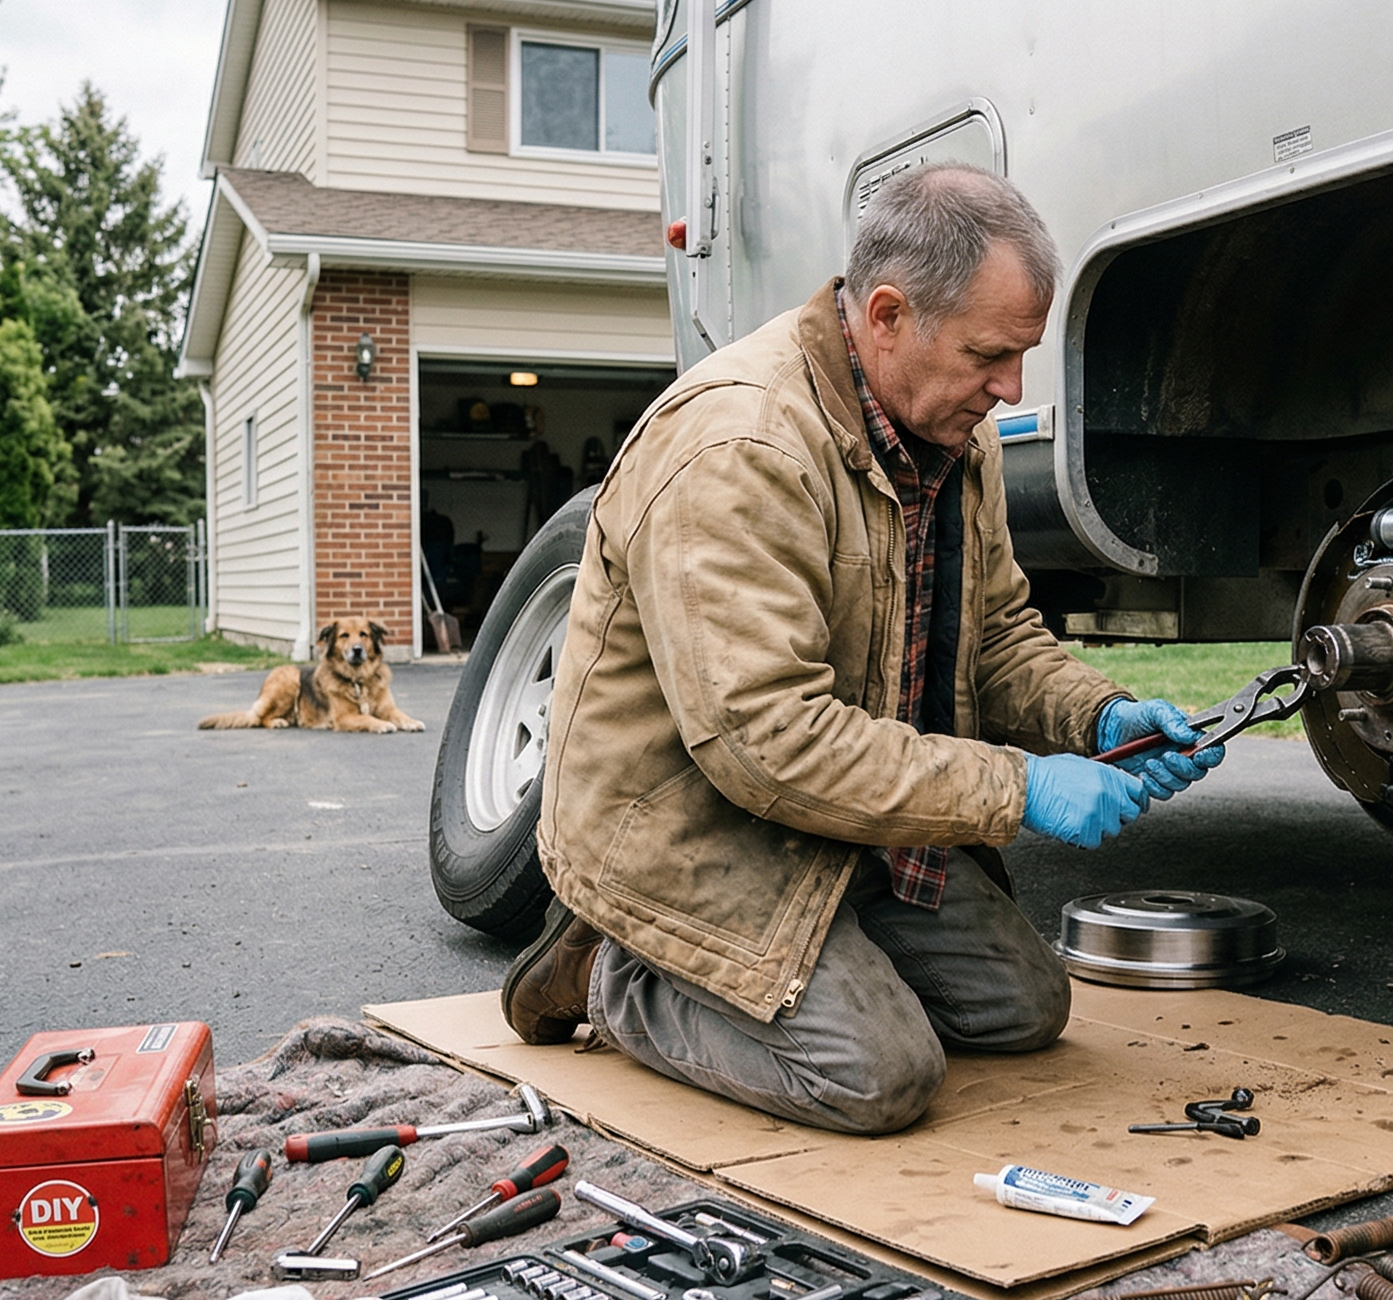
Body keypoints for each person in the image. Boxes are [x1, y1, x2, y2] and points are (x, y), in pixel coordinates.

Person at [504, 165, 1223, 1133]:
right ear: (887, 314)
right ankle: (610, 970)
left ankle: (793, 956)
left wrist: (1096, 716)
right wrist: (1020, 790)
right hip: (693, 822)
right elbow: (767, 742)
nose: (1008, 388)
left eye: (1020, 357)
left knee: (1020, 1013)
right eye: (986, 354)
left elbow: (998, 634)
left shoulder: (948, 435)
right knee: (876, 1079)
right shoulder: (739, 448)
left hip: (846, 815)